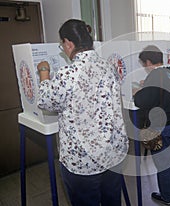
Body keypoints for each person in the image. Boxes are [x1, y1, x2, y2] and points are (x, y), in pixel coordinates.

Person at [37, 19, 128, 206]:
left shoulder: (67, 74)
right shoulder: (108, 66)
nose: (63, 49)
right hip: (112, 153)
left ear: (69, 43)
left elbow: (45, 101)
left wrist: (44, 73)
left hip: (82, 161)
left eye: (62, 45)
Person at [133, 45, 170, 205]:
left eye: (143, 64)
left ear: (148, 61)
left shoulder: (154, 76)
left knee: (163, 162)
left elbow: (142, 101)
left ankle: (167, 196)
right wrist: (146, 85)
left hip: (162, 125)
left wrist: (137, 92)